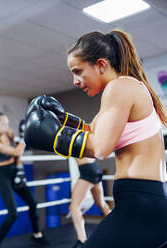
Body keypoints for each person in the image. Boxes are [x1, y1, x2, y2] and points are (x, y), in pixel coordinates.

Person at [24, 29, 167, 247]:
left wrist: (55, 137)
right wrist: (65, 120)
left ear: (101, 65)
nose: (75, 80)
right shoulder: (125, 89)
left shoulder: (121, 87)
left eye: (78, 71)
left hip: (140, 202)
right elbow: (94, 131)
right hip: (143, 200)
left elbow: (101, 147)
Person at [0, 110, 50, 248]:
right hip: (3, 176)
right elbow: (17, 151)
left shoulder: (8, 134)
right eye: (3, 124)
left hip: (15, 171)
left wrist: (20, 172)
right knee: (13, 213)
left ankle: (37, 234)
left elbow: (17, 157)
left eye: (7, 124)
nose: (7, 127)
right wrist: (24, 135)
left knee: (33, 203)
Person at [70, 158, 111, 248]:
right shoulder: (88, 143)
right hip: (95, 168)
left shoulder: (72, 143)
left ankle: (82, 240)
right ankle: (118, 228)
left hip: (87, 171)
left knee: (74, 207)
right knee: (101, 203)